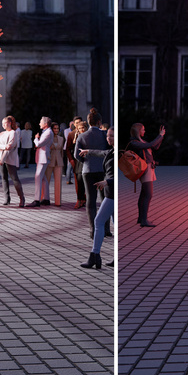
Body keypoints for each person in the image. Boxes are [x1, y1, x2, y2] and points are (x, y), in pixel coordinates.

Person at [79, 126, 115, 269]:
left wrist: (107, 182)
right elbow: (101, 153)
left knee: (98, 221)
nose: (108, 138)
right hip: (110, 192)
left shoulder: (119, 154)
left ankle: (95, 256)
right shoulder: (112, 151)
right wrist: (88, 151)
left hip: (112, 193)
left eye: (111, 136)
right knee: (115, 225)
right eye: (108, 135)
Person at [75, 109, 109, 237]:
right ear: (99, 122)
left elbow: (76, 155)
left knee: (91, 200)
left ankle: (92, 229)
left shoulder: (82, 136)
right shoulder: (104, 135)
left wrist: (85, 161)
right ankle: (106, 228)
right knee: (105, 199)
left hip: (88, 170)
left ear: (88, 122)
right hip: (102, 170)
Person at [129, 122, 165, 227]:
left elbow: (155, 147)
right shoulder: (134, 142)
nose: (144, 131)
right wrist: (160, 135)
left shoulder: (141, 141)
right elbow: (151, 145)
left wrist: (161, 136)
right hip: (145, 169)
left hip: (149, 168)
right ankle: (144, 220)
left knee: (144, 194)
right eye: (143, 129)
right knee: (148, 194)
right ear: (138, 130)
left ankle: (141, 218)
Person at [0, 116, 24, 206]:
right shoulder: (1, 133)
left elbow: (10, 146)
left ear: (10, 123)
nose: (3, 125)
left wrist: (3, 157)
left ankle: (21, 198)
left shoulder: (13, 133)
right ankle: (6, 198)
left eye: (5, 123)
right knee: (4, 178)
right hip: (0, 158)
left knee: (14, 178)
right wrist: (4, 147)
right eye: (2, 123)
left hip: (9, 158)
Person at [31, 117, 53, 207]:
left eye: (41, 122)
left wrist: (36, 138)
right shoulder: (47, 132)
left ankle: (37, 199)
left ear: (45, 124)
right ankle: (46, 198)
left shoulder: (48, 132)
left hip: (43, 157)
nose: (39, 124)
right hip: (42, 157)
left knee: (38, 177)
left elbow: (39, 144)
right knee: (43, 178)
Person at [48, 122, 66, 206]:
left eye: (57, 128)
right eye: (54, 128)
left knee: (58, 182)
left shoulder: (61, 138)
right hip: (49, 161)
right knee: (46, 181)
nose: (56, 130)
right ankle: (44, 199)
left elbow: (62, 151)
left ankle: (58, 202)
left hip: (59, 161)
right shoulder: (48, 138)